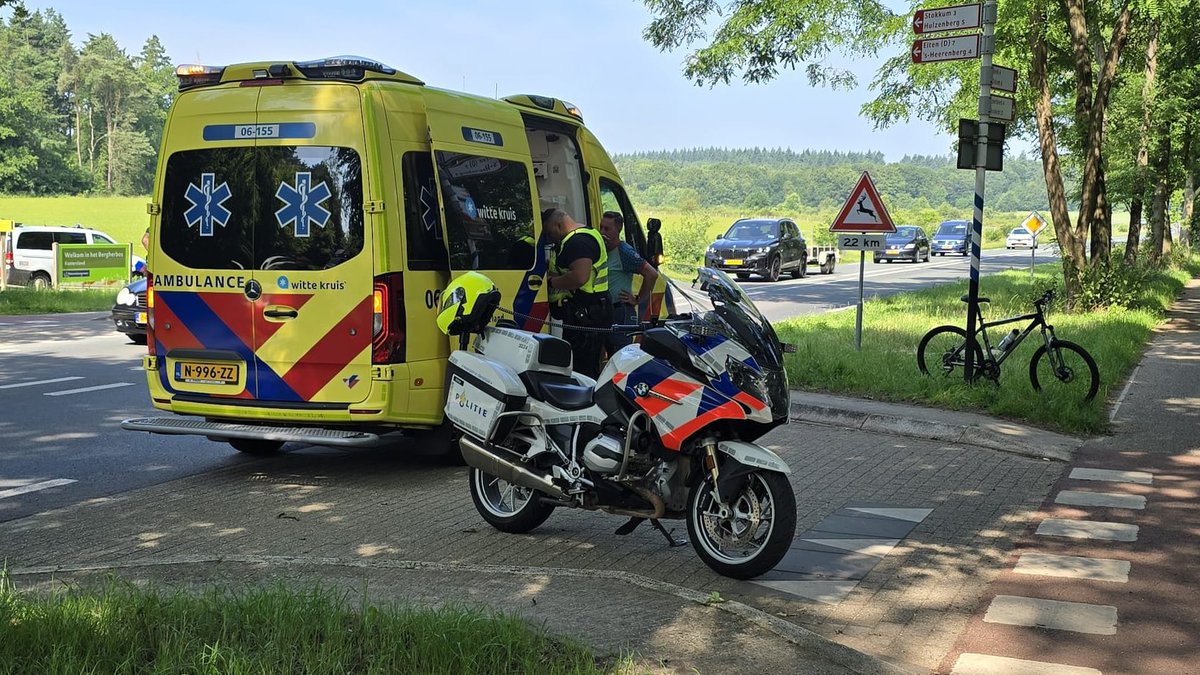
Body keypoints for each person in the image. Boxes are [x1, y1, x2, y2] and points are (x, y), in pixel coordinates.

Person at [544, 208, 610, 378]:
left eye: (549, 231)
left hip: (587, 314)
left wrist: (551, 282)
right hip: (591, 310)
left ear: (558, 225)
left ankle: (586, 401)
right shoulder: (585, 233)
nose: (548, 236)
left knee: (583, 370)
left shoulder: (578, 242)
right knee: (584, 364)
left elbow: (579, 277)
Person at [598, 211, 659, 354]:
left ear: (618, 230)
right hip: (605, 311)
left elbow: (652, 274)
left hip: (620, 312)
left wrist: (637, 299)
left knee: (620, 354)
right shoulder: (601, 249)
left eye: (607, 229)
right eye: (601, 227)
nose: (602, 232)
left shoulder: (625, 252)